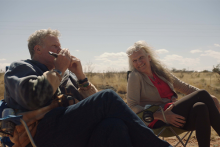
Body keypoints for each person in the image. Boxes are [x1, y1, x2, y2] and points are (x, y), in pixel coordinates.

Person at [4, 29, 172, 147]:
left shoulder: (65, 76)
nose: (60, 50)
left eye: (60, 46)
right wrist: (59, 70)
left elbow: (92, 106)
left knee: (114, 125)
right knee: (107, 96)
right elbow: (34, 99)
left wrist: (80, 76)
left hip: (71, 133)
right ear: (38, 49)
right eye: (55, 46)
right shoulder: (22, 68)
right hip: (40, 136)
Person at [126, 40, 220, 147]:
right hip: (157, 119)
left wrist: (210, 97)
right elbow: (132, 106)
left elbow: (184, 87)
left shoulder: (161, 72)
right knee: (202, 94)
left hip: (175, 116)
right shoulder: (135, 76)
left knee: (201, 107)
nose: (139, 62)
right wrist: (160, 115)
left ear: (149, 57)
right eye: (134, 60)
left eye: (141, 57)